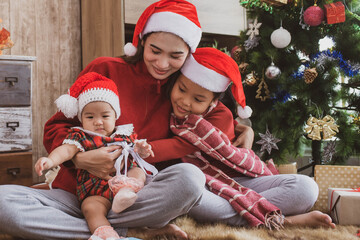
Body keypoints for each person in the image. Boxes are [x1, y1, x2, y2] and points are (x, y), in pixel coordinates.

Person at [0, 1, 251, 239]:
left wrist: (246, 128)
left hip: (133, 199)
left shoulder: (181, 91)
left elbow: (217, 113)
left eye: (175, 56)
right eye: (155, 50)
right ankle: (127, 232)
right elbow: (57, 125)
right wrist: (79, 158)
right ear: (142, 41)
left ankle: (104, 229)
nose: (162, 64)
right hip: (77, 194)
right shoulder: (105, 69)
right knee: (3, 203)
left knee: (190, 178)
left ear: (188, 55)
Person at [167, 47, 336, 229]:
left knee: (307, 188)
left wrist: (247, 130)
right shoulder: (172, 108)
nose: (184, 101)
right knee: (194, 200)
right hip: (206, 186)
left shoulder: (219, 114)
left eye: (198, 99)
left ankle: (256, 216)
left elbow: (211, 130)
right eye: (182, 89)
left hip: (243, 180)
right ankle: (284, 221)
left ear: (212, 101)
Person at [34, 72, 160, 240]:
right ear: (81, 119)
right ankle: (106, 233)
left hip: (126, 184)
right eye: (90, 116)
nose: (98, 121)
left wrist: (143, 148)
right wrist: (50, 160)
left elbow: (137, 151)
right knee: (90, 208)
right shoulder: (80, 136)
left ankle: (126, 191)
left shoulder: (123, 133)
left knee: (138, 170)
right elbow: (65, 151)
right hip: (95, 191)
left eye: (105, 116)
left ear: (116, 116)